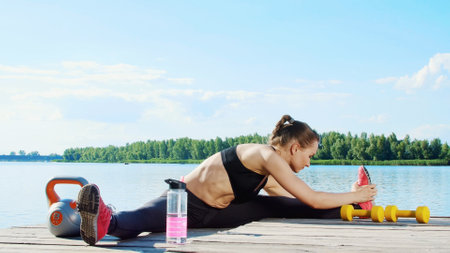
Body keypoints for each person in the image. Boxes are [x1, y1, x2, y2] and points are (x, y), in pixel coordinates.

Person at [77, 114, 377, 245]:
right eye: (309, 156)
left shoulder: (268, 169)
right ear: (295, 147)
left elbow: (302, 200)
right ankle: (104, 218)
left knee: (284, 205)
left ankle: (356, 205)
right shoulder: (267, 155)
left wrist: (352, 196)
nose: (309, 163)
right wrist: (351, 194)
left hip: (220, 211)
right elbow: (311, 196)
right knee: (143, 221)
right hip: (186, 202)